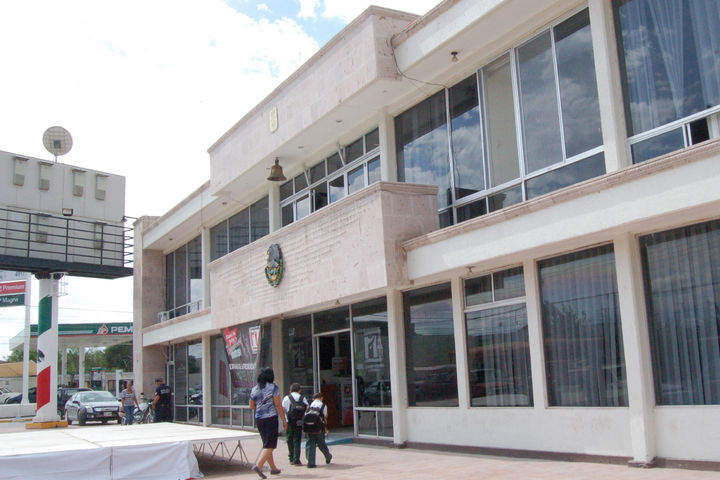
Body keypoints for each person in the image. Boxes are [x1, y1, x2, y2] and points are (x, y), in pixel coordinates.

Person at [249, 368, 287, 479]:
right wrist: (284, 420)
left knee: (266, 444)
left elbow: (251, 406)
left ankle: (273, 468)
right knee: (270, 445)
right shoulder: (273, 387)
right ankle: (258, 466)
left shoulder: (254, 389)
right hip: (271, 418)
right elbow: (278, 405)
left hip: (259, 419)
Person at [281, 383, 308, 466]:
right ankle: (296, 459)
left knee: (289, 439)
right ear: (299, 390)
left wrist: (284, 421)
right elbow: (307, 408)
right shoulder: (302, 398)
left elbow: (283, 409)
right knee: (297, 440)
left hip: (289, 421)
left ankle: (291, 457)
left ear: (290, 390)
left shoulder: (286, 398)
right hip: (299, 422)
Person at [303, 392, 332, 469]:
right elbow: (325, 417)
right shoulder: (323, 406)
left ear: (313, 399)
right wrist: (326, 428)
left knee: (310, 444)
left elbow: (305, 416)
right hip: (319, 428)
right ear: (321, 398)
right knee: (321, 444)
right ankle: (328, 456)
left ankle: (311, 463)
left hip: (309, 428)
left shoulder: (309, 406)